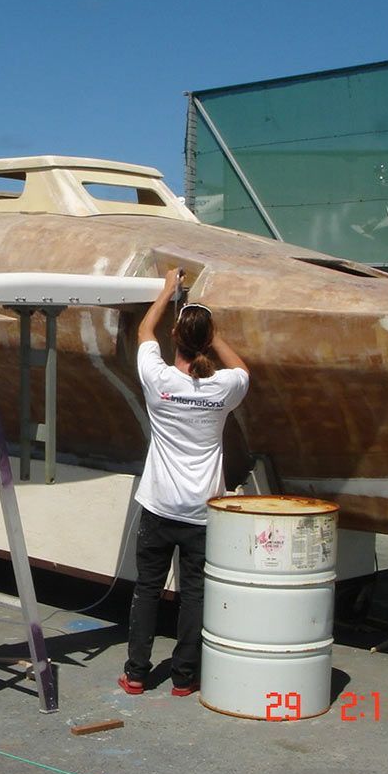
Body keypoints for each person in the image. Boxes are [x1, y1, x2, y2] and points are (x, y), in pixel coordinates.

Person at [119, 268, 250, 697]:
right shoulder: (224, 388)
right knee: (193, 595)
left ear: (177, 335)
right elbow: (241, 369)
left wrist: (165, 292)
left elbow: (144, 330)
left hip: (159, 507)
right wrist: (209, 334)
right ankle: (184, 678)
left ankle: (137, 674)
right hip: (201, 513)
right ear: (206, 337)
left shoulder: (159, 380)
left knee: (147, 592)